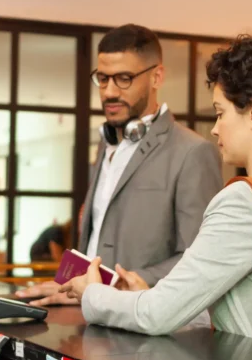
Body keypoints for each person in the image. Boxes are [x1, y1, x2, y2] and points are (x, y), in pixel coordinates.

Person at [60, 33, 252, 353]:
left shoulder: (245, 201)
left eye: (221, 112)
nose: (214, 128)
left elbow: (157, 315)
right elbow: (248, 312)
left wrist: (92, 294)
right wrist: (143, 295)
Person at [17, 24, 223, 305]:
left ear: (156, 77)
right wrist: (70, 287)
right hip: (89, 315)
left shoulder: (193, 152)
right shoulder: (106, 144)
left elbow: (199, 260)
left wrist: (106, 287)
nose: (109, 92)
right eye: (102, 79)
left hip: (145, 330)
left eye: (124, 78)